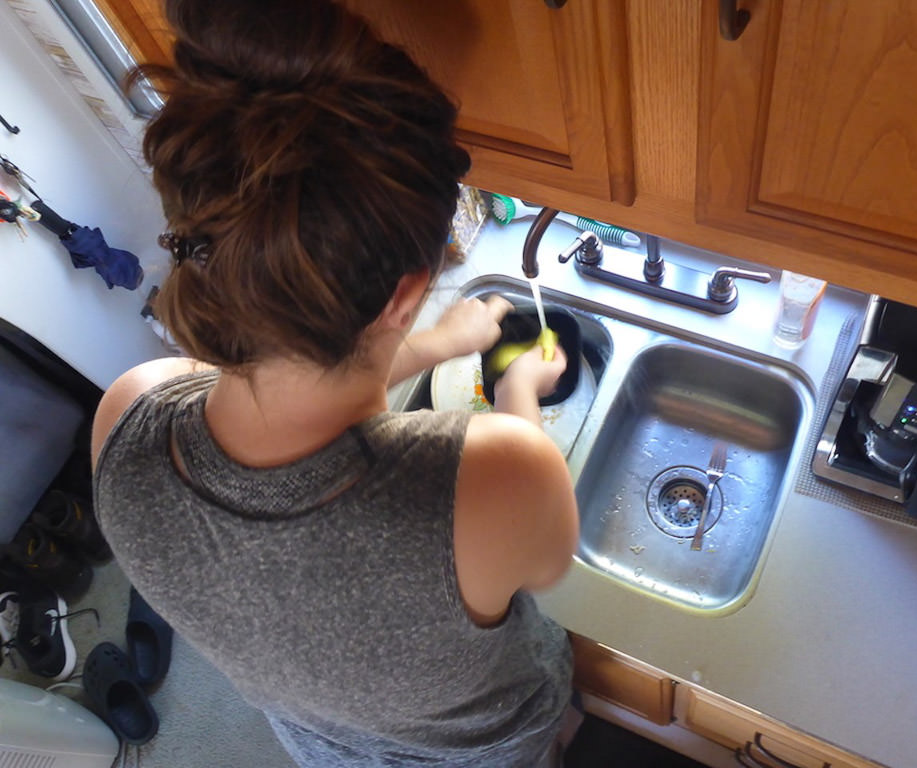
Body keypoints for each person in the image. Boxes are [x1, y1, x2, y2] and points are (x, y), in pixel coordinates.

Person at [89, 1, 580, 766]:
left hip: (318, 741)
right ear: (403, 298)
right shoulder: (501, 473)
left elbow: (288, 382)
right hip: (480, 748)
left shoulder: (126, 415)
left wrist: (441, 343)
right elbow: (545, 565)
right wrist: (519, 387)